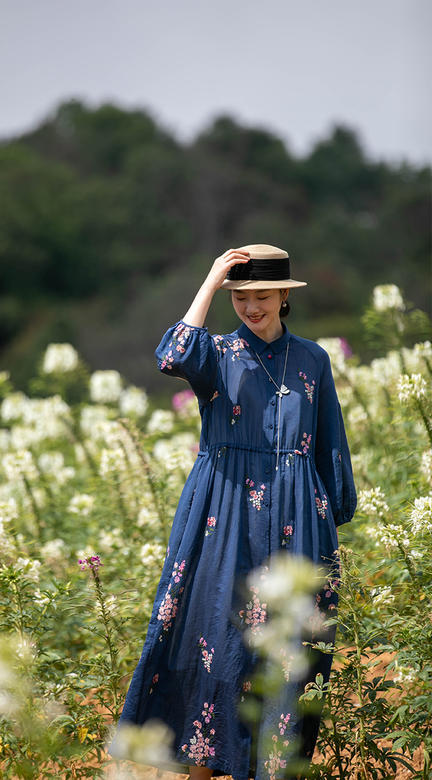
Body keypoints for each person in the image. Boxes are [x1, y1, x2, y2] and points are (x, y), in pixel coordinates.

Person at [109, 244, 357, 779]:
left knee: (289, 651)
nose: (251, 307)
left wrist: (329, 519)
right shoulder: (217, 352)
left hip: (296, 518)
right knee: (214, 641)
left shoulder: (313, 358)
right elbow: (171, 355)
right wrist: (211, 279)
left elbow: (329, 443)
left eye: (262, 296)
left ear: (284, 297)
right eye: (240, 297)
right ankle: (201, 768)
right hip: (223, 514)